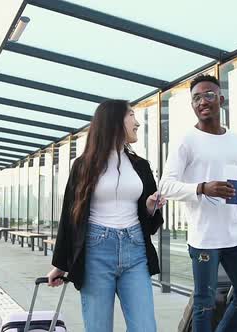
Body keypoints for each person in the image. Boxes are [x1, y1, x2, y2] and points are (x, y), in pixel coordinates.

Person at [46, 99, 166, 332]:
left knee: (145, 327)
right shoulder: (83, 166)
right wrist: (60, 265)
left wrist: (151, 206)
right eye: (131, 115)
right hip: (96, 252)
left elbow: (149, 222)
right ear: (113, 120)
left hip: (136, 250)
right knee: (98, 327)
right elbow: (70, 216)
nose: (137, 122)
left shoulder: (141, 165)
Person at [159, 74, 237, 332]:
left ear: (221, 100)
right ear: (192, 105)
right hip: (204, 237)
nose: (202, 101)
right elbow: (165, 186)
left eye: (208, 95)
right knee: (204, 304)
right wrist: (203, 188)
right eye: (196, 98)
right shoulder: (186, 141)